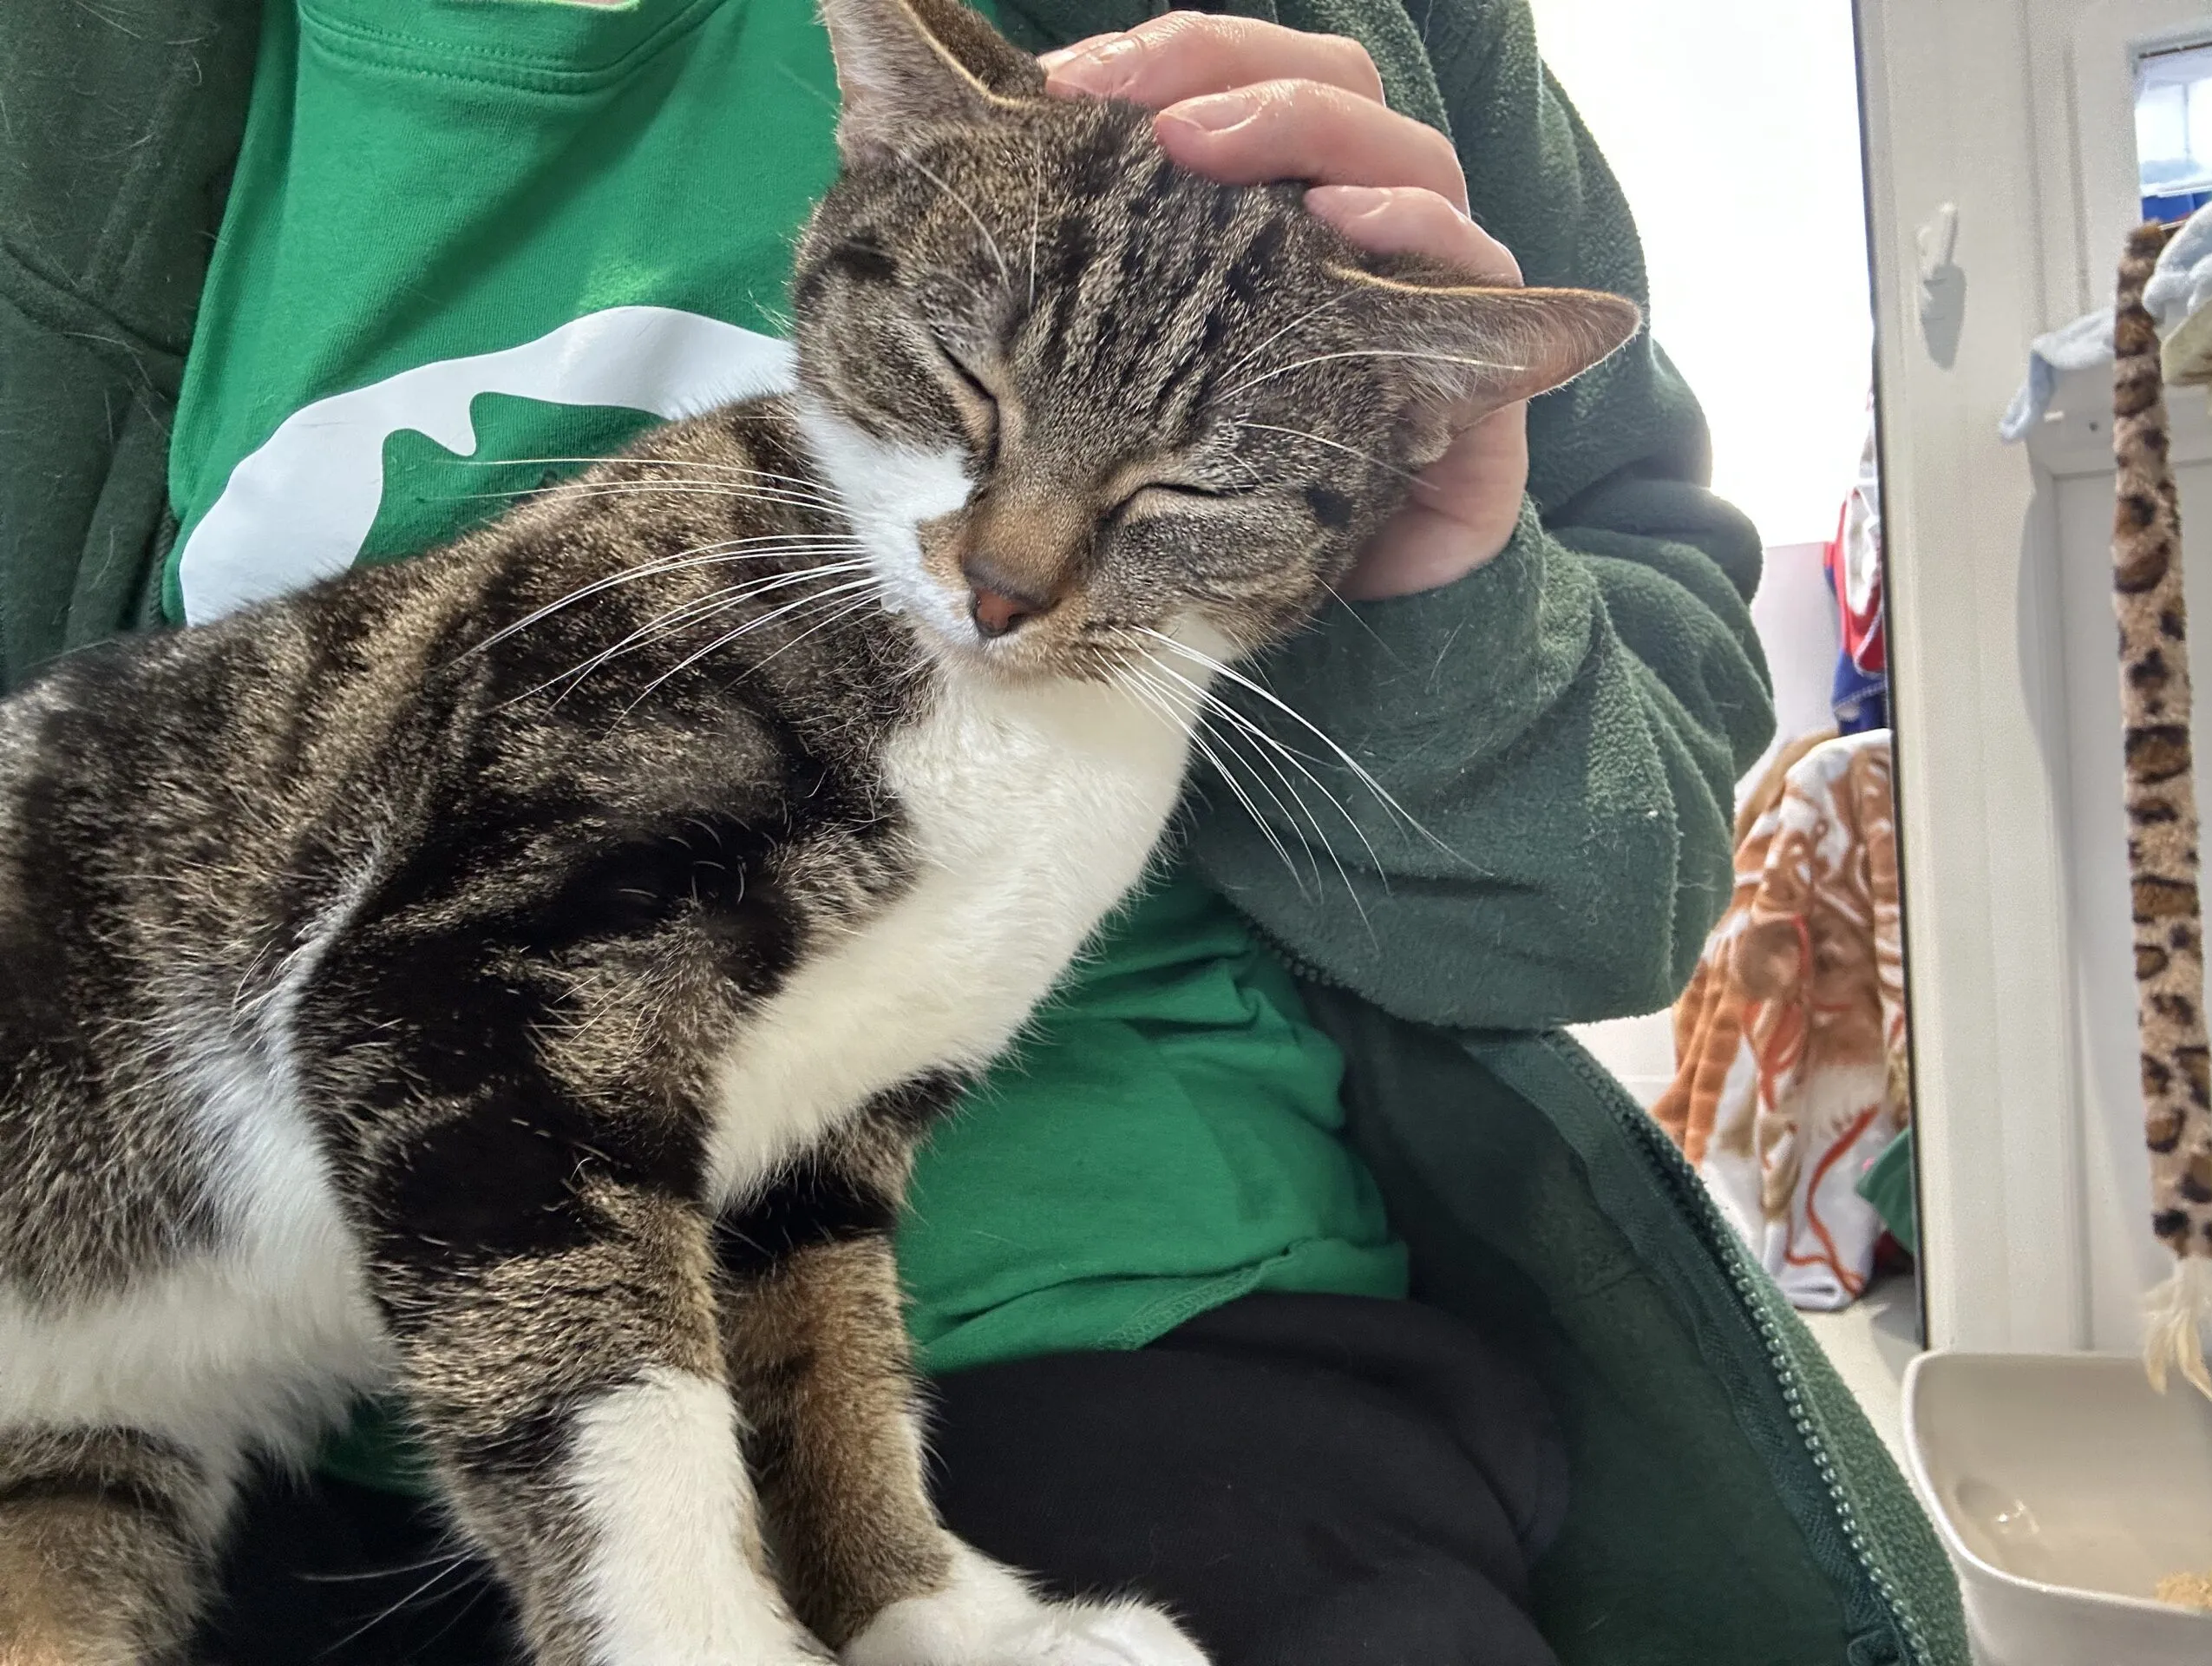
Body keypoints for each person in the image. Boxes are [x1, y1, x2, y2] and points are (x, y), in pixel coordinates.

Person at [3, 3, 1783, 1663]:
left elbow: (797, 1166)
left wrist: (1458, 589)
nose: (1009, 571)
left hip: (1154, 1372)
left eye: (1176, 492)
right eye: (963, 395)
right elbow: (449, 1022)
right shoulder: (700, 564)